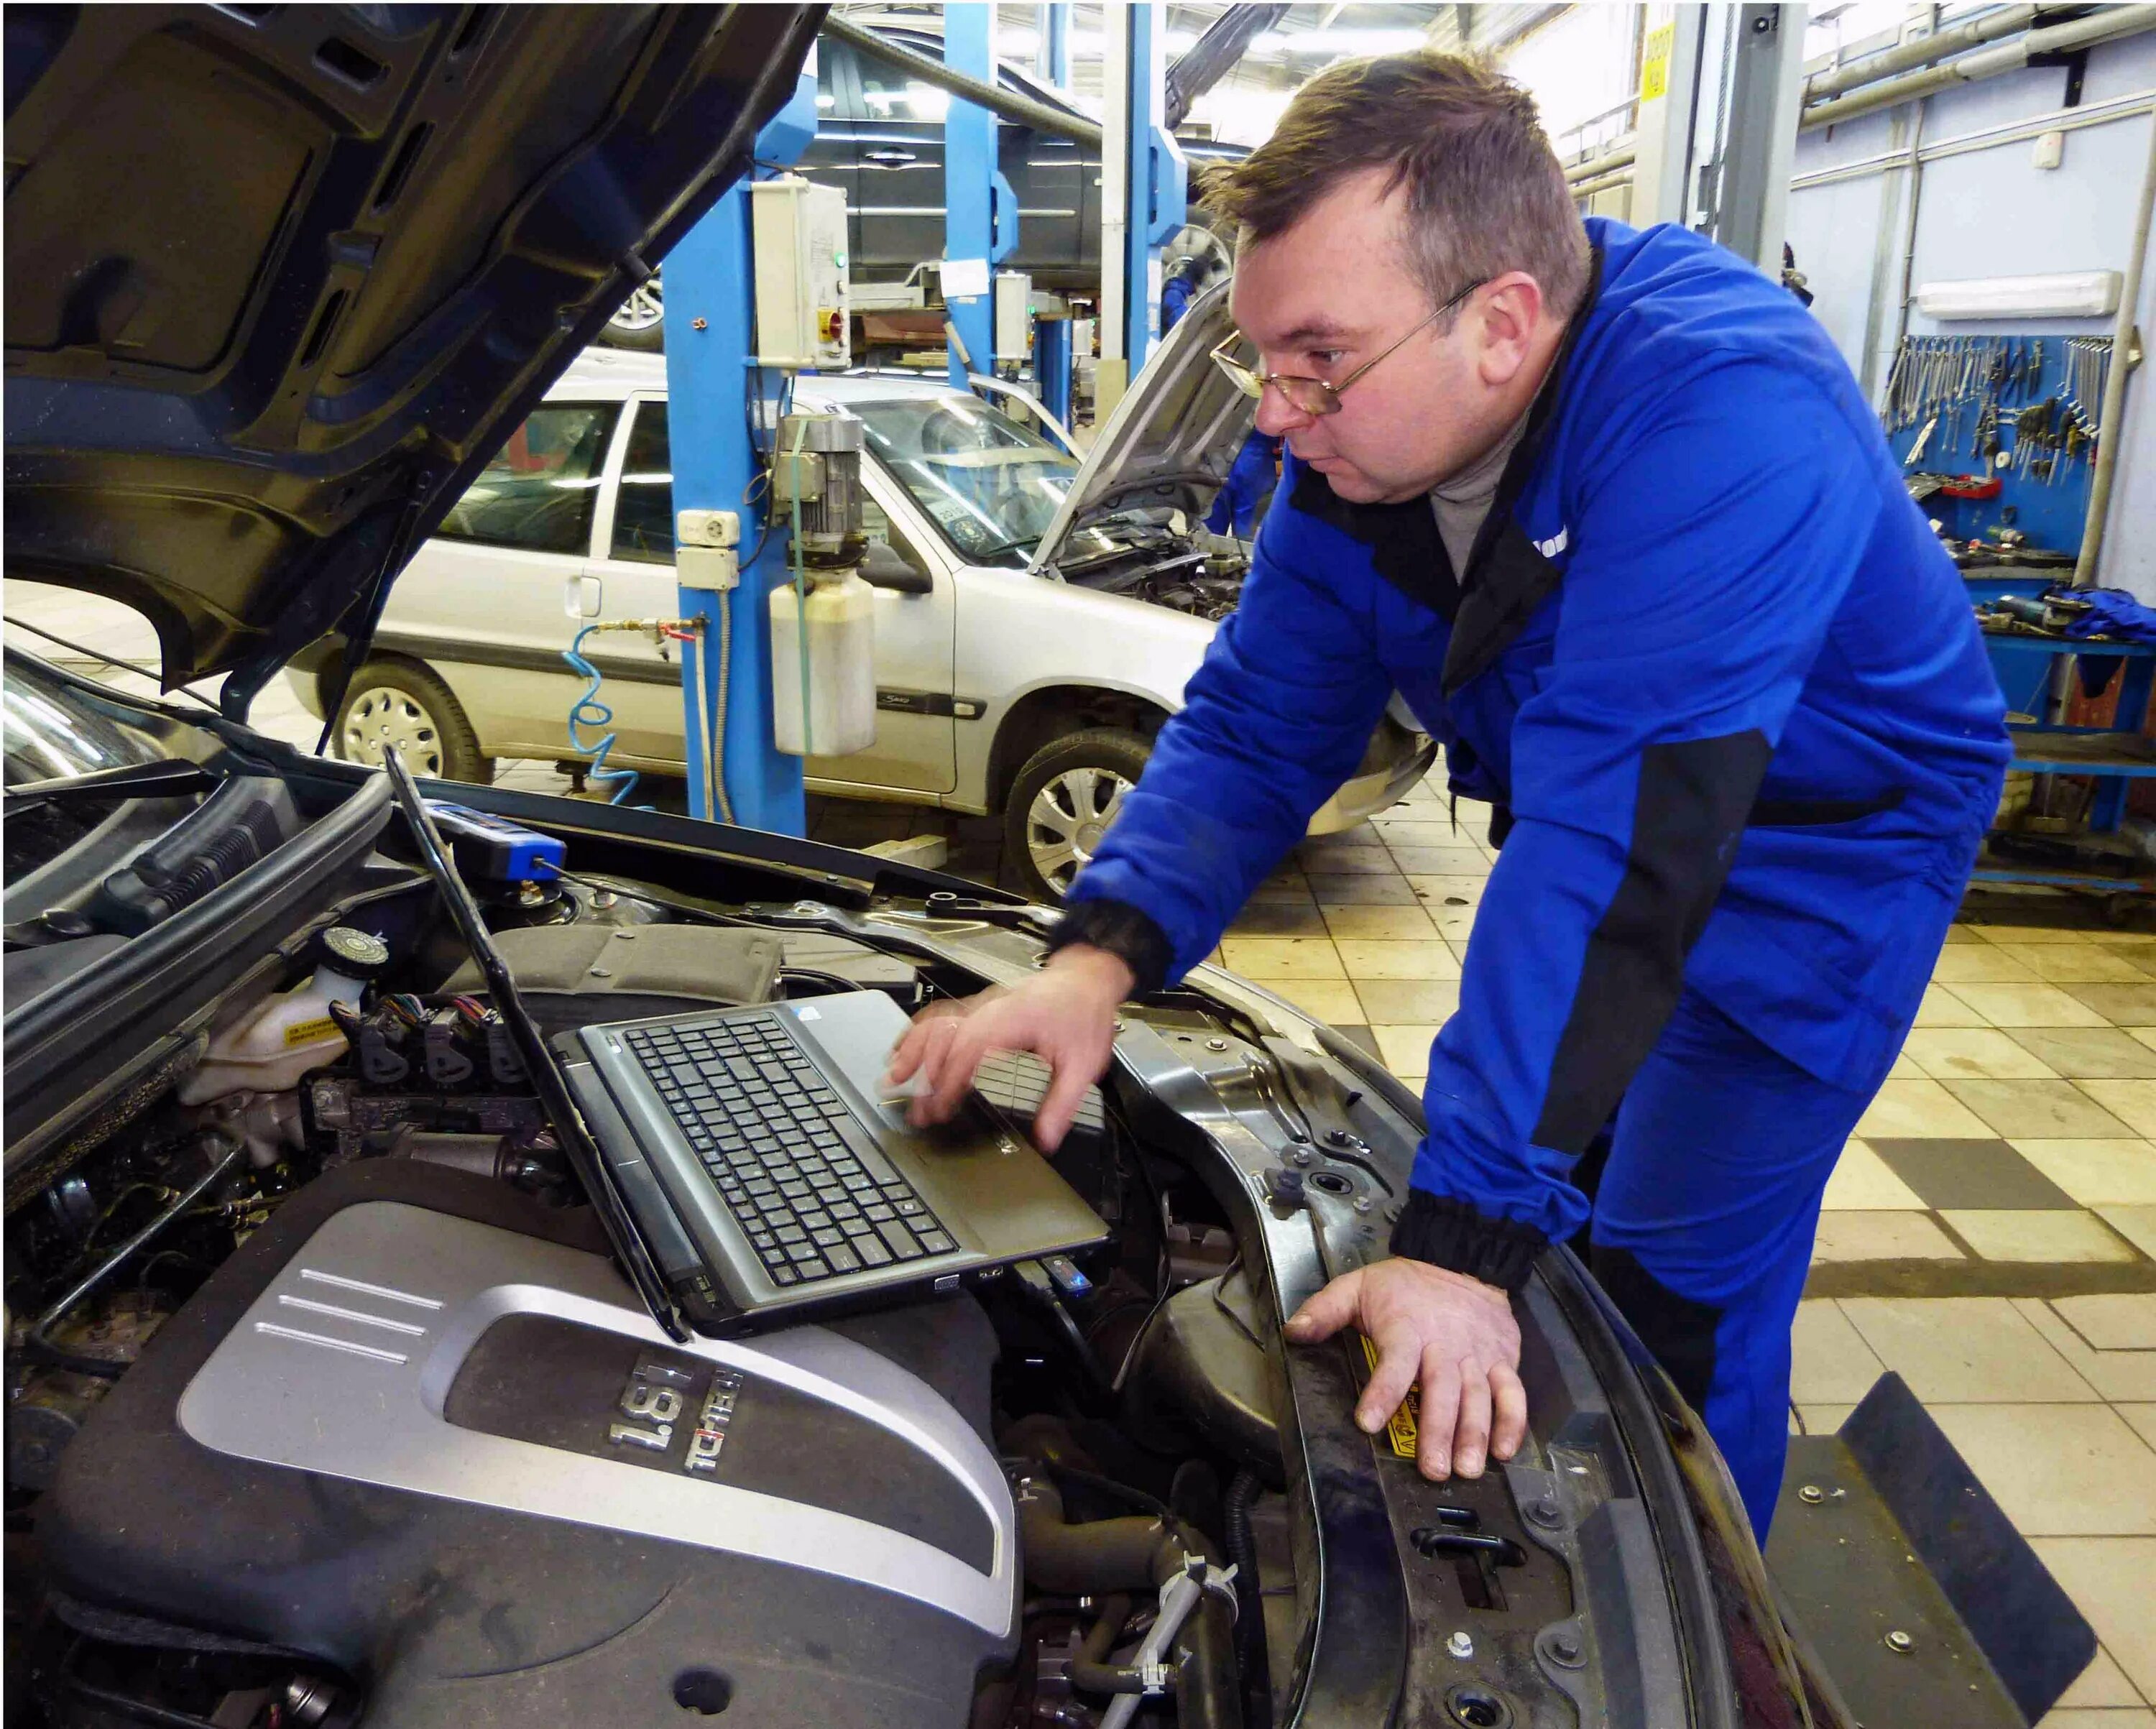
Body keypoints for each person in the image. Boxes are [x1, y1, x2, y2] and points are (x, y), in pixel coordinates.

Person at [886, 50, 2009, 1539]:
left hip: (1820, 869)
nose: (1278, 417)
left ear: (1502, 324)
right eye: (1260, 361)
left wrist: (1461, 1238)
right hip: (1620, 825)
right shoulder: (1362, 456)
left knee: (1674, 1290)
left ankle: (1715, 1635)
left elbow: (1618, 850)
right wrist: (1097, 961)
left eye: (1318, 361)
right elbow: (1257, 723)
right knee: (1550, 1189)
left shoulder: (1727, 417)